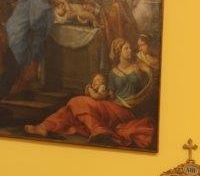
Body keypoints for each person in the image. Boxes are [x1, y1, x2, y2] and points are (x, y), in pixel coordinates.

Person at [24, 38, 154, 149]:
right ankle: (44, 127)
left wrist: (146, 70)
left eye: (130, 48)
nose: (130, 51)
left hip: (125, 111)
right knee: (71, 110)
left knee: (76, 102)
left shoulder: (137, 68)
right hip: (112, 106)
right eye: (126, 48)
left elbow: (147, 85)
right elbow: (110, 94)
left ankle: (99, 129)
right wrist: (98, 93)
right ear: (119, 52)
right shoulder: (113, 72)